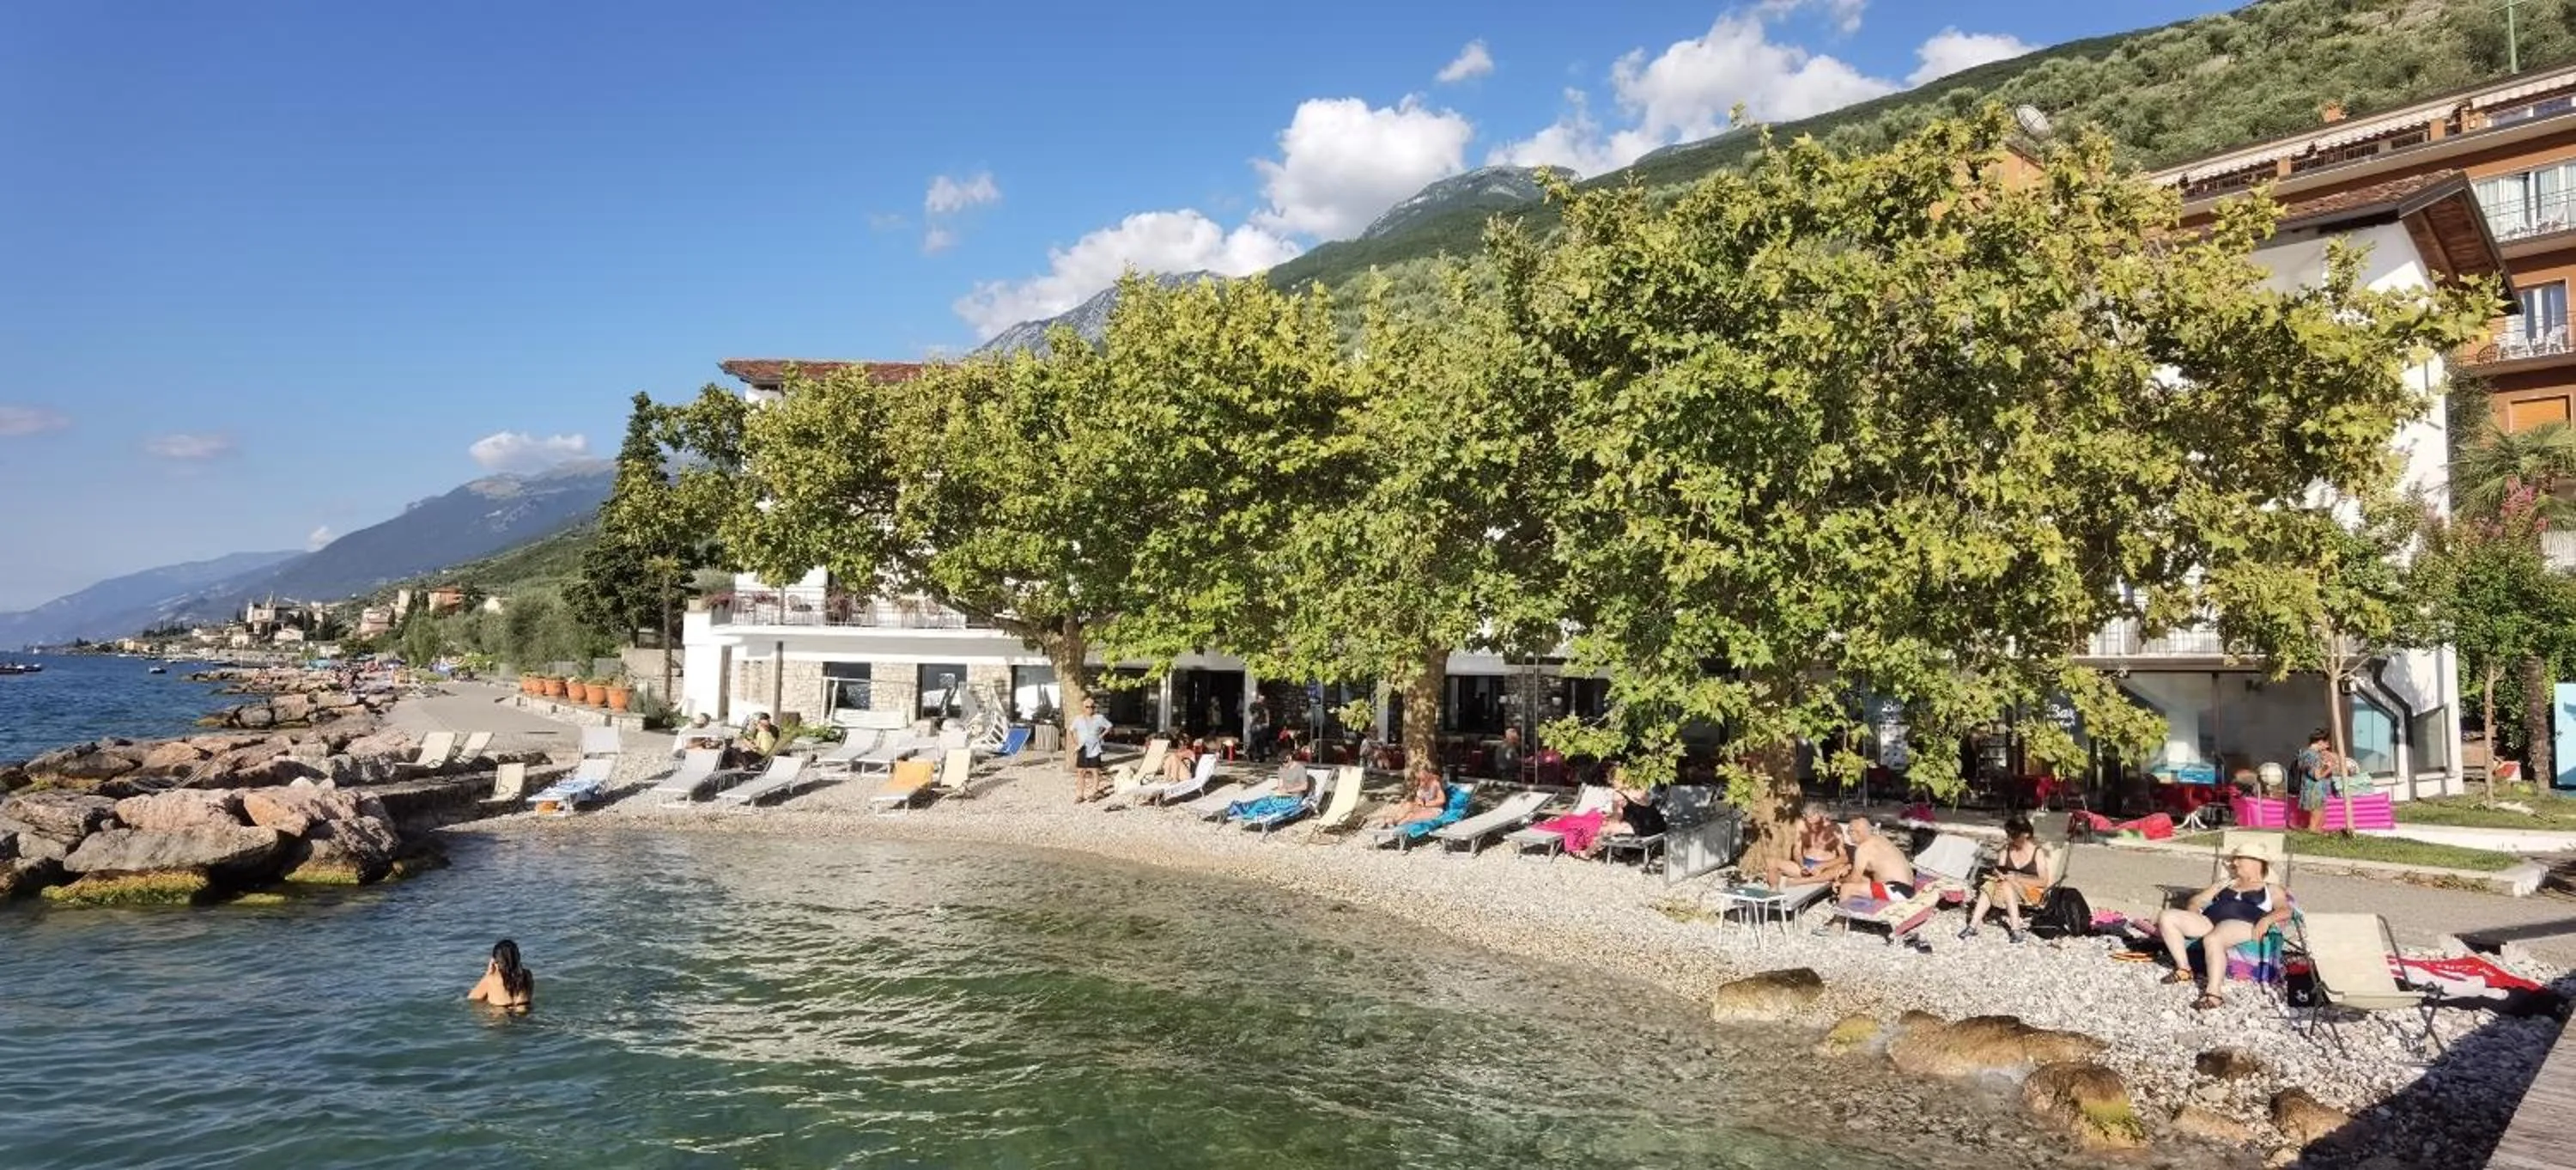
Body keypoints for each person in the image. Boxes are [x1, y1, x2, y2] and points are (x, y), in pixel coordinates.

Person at [2154, 842, 2292, 1010]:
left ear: (2256, 862)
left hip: (2244, 924)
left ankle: (2214, 995)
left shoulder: (2270, 888)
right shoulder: (2225, 883)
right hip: (2210, 920)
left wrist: (2267, 920)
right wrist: (2193, 909)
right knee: (2167, 916)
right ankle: (2184, 969)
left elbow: (2285, 910)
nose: (2234, 863)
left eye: (2239, 859)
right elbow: (2197, 900)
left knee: (2214, 939)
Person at [1960, 819, 2046, 943]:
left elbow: (2043, 882)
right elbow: (1999, 870)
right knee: (1990, 884)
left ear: (2026, 834)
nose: (2011, 839)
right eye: (2010, 835)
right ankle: (1972, 926)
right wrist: (1998, 874)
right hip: (2006, 888)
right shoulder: (2006, 850)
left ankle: (2016, 929)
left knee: (2005, 884)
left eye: (2014, 835)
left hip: (2030, 891)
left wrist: (2018, 879)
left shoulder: (2038, 853)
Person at [1763, 802, 1850, 889]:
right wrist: (1801, 865)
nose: (1809, 820)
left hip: (1825, 868)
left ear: (1821, 815)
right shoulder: (1802, 825)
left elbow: (1844, 857)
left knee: (1840, 868)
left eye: (1812, 818)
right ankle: (1774, 890)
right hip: (1806, 864)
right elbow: (1797, 849)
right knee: (1771, 861)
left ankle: (1801, 882)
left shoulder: (1835, 829)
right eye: (1807, 817)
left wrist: (1822, 866)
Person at [1834, 817, 1916, 903]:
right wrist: (1849, 867)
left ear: (1857, 832)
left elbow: (1854, 879)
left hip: (1896, 890)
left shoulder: (1864, 848)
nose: (1849, 836)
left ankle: (1841, 914)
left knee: (1846, 888)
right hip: (1907, 886)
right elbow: (1874, 866)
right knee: (1864, 879)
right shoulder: (1881, 839)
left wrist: (1840, 881)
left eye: (1849, 832)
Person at [1370, 766, 1450, 830]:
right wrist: (1418, 800)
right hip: (1423, 807)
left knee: (1411, 816)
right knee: (1407, 805)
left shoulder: (1435, 784)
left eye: (1421, 780)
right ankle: (1392, 820)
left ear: (1427, 778)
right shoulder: (1420, 784)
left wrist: (1426, 804)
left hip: (1434, 810)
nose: (1419, 782)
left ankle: (1395, 825)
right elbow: (1419, 798)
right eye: (1418, 779)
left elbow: (1442, 800)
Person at [467, 939, 535, 1011]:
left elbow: (472, 999)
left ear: (495, 960)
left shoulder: (491, 979)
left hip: (501, 1017)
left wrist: (488, 973)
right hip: (525, 1013)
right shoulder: (528, 975)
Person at [2293, 729, 2339, 831]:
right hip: (2314, 792)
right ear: (2320, 742)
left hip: (2315, 791)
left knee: (2320, 821)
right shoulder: (2311, 755)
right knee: (2315, 823)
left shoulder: (2307, 753)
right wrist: (2331, 767)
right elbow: (2317, 776)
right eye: (2327, 743)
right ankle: (2310, 843)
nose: (2328, 746)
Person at [1072, 698, 1114, 802]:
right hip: (1083, 747)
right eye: (1087, 707)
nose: (1090, 709)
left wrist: (1101, 736)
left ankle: (1094, 792)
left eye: (1092, 707)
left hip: (1095, 747)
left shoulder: (1099, 718)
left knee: (1095, 771)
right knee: (1081, 771)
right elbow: (1072, 730)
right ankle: (1080, 794)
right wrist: (1076, 743)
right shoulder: (1078, 719)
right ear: (1083, 708)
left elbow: (1109, 726)